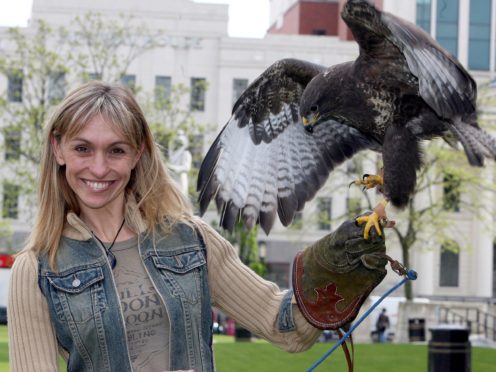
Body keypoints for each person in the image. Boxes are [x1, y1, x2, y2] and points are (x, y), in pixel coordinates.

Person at [8, 81, 388, 372]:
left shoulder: (190, 241)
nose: (99, 168)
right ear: (58, 149)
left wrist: (327, 279)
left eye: (117, 150)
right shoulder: (38, 270)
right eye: (82, 148)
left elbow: (282, 326)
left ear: (138, 153)